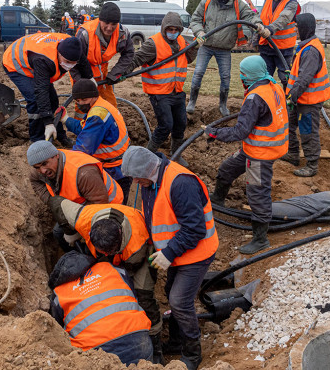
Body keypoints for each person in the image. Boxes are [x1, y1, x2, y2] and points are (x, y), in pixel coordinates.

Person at [121, 146, 218, 370]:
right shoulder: (151, 181)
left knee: (180, 302)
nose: (135, 183)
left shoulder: (180, 183)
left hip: (197, 253)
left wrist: (168, 253)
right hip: (179, 253)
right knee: (170, 293)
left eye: (137, 178)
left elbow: (195, 229)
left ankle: (192, 354)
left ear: (148, 170)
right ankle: (176, 340)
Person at [48, 197, 164, 364]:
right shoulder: (83, 217)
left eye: (110, 252)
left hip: (144, 256)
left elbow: (58, 328)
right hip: (139, 345)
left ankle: (156, 343)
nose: (107, 257)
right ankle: (150, 353)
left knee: (143, 295)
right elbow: (57, 203)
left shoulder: (138, 244)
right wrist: (69, 232)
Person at [203, 56, 287, 254]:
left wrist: (215, 133)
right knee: (227, 168)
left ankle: (260, 239)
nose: (241, 77)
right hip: (258, 147)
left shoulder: (255, 98)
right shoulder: (273, 85)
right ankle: (218, 199)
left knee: (257, 192)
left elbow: (240, 132)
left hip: (261, 153)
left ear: (249, 75)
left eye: (242, 73)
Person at [49, 250, 152, 365]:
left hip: (98, 355)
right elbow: (131, 295)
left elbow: (57, 332)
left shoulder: (59, 294)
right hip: (140, 342)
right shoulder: (113, 269)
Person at [187, 0, 265, 116]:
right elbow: (195, 19)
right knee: (198, 73)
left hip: (224, 48)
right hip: (206, 45)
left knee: (225, 77)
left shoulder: (238, 5)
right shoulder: (207, 2)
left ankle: (223, 105)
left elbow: (251, 17)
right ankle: (192, 101)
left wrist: (258, 25)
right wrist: (199, 32)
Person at [126, 12, 198, 167]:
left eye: (175, 29)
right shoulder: (153, 44)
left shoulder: (181, 41)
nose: (173, 33)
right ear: (164, 28)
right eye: (169, 29)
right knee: (166, 125)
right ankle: (146, 156)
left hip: (176, 91)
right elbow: (137, 59)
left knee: (180, 124)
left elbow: (189, 58)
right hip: (159, 93)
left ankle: (176, 155)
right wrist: (122, 72)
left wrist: (197, 45)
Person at [26, 140, 123, 251]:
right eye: (37, 167)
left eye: (45, 164)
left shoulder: (83, 173)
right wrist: (54, 201)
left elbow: (100, 205)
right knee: (58, 233)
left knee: (96, 245)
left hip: (109, 207)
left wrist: (78, 228)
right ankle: (76, 255)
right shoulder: (42, 169)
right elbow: (35, 180)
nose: (42, 170)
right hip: (80, 205)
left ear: (56, 155)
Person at [3, 33, 92, 145]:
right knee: (35, 99)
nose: (70, 66)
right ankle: (37, 140)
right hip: (16, 63)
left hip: (34, 59)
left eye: (74, 63)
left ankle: (60, 136)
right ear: (59, 53)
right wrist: (47, 123)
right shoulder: (43, 59)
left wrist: (90, 78)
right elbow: (41, 90)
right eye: (67, 62)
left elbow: (83, 62)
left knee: (53, 100)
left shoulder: (73, 47)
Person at [60, 79, 132, 204]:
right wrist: (66, 119)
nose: (81, 103)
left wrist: (62, 163)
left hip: (116, 170)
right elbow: (85, 129)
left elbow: (82, 149)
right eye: (78, 101)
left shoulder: (97, 116)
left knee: (116, 205)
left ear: (94, 96)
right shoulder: (100, 106)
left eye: (84, 100)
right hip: (122, 164)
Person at [281, 13, 330, 177]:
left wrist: (291, 96)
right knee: (289, 124)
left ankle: (311, 165)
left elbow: (304, 79)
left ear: (304, 28)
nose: (295, 30)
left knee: (307, 132)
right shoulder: (306, 45)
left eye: (297, 27)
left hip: (308, 101)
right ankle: (293, 154)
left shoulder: (311, 50)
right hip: (300, 98)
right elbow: (300, 72)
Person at [70, 2, 134, 110]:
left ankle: (110, 125)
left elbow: (129, 53)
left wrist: (115, 73)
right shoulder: (85, 34)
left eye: (113, 24)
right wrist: (82, 83)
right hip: (83, 74)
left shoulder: (122, 33)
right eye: (106, 23)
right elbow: (73, 62)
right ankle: (82, 126)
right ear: (100, 19)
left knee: (109, 105)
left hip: (103, 75)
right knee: (84, 107)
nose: (109, 28)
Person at [257, 0, 301, 90]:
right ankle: (265, 101)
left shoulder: (292, 3)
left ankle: (288, 102)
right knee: (264, 77)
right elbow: (261, 18)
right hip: (266, 46)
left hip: (283, 48)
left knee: (285, 77)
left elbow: (284, 18)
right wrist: (256, 39)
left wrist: (270, 29)